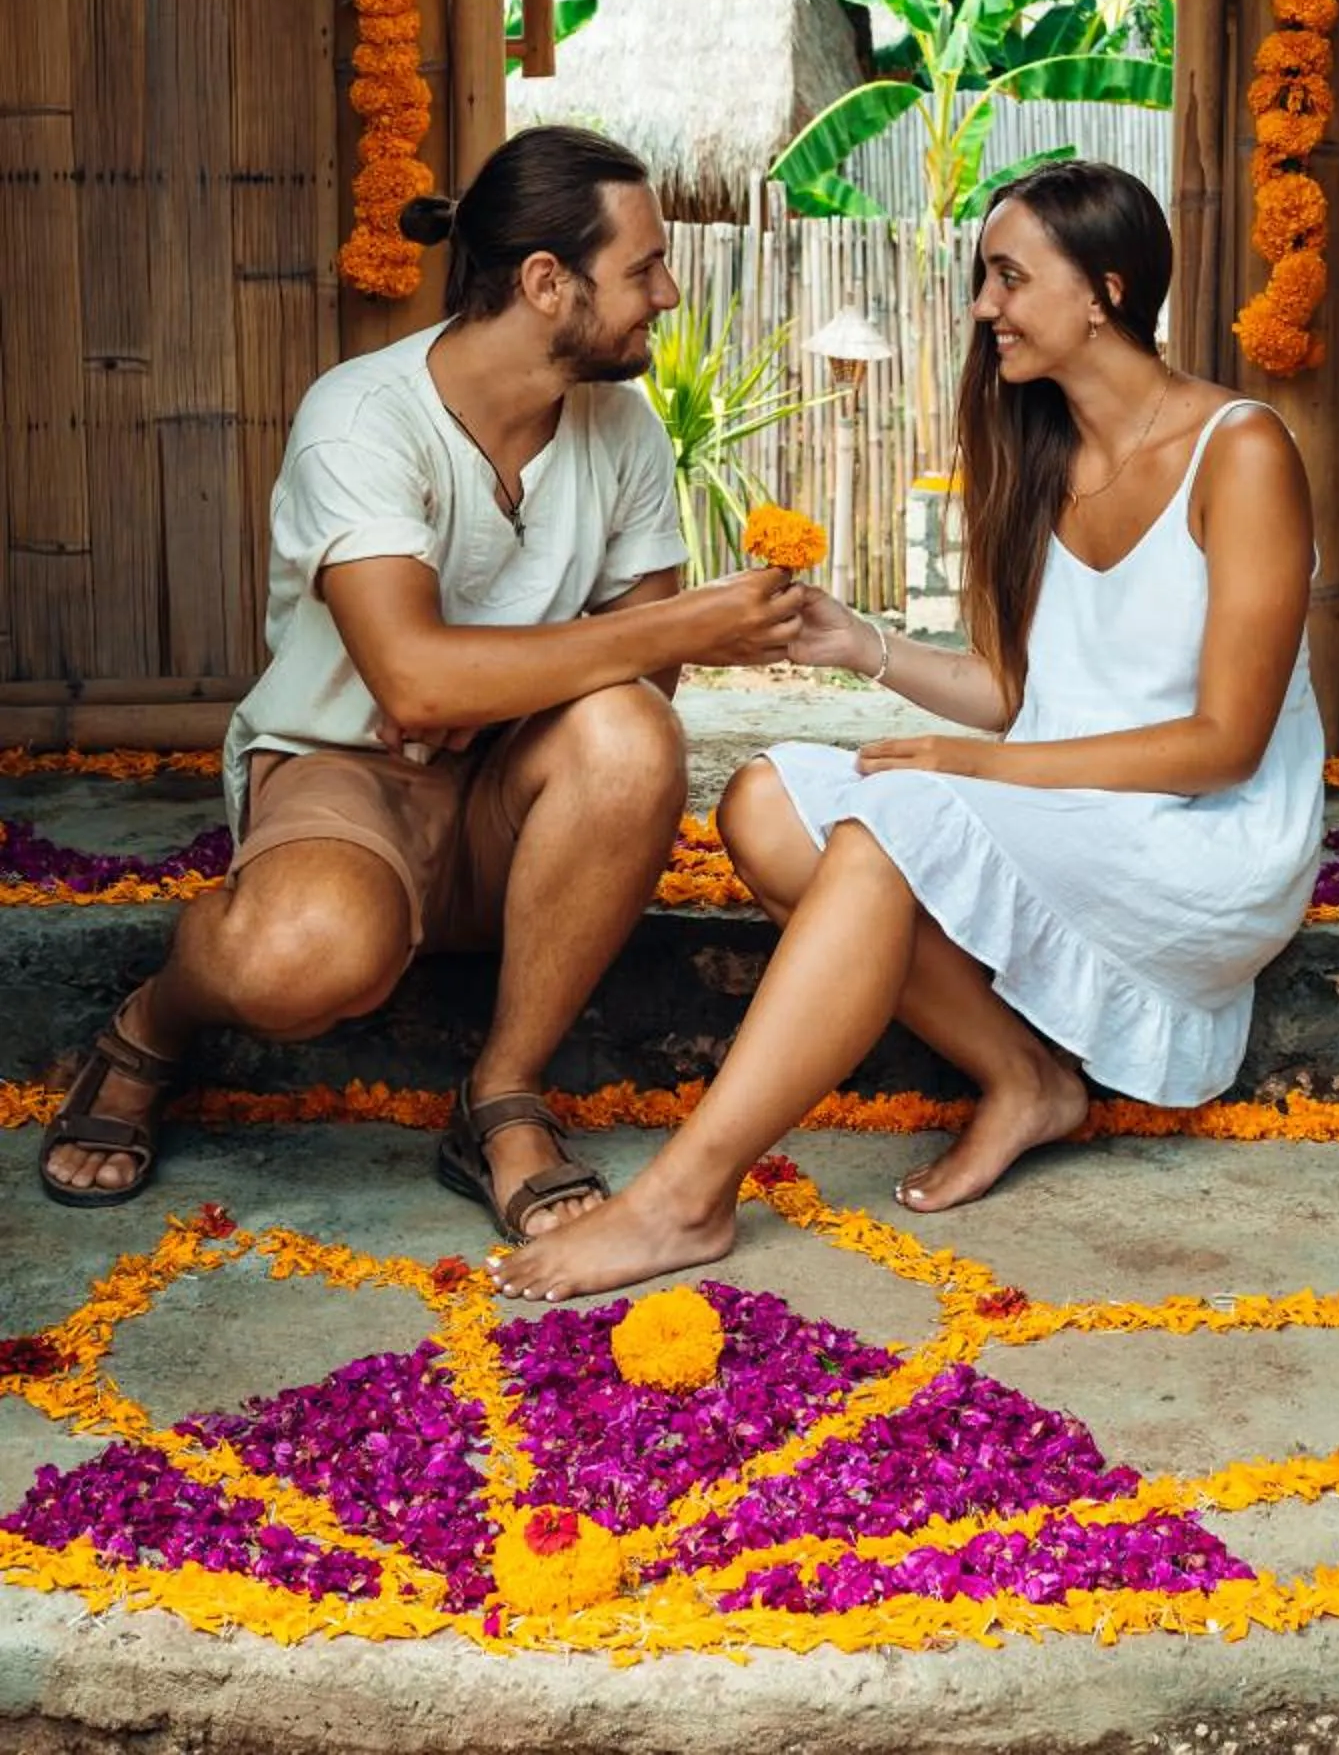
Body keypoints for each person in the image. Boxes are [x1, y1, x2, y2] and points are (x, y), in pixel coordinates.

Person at [488, 160, 1324, 1303]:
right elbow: (1028, 694)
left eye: (1007, 278)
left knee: (893, 822)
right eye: (986, 277)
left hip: (1201, 839)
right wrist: (856, 645)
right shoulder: (1039, 453)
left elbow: (1223, 742)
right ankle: (1023, 1078)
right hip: (1074, 811)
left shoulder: (1242, 453)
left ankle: (684, 1197)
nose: (983, 306)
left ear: (1105, 294)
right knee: (768, 804)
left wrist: (982, 769)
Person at [41, 125, 801, 1238]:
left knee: (633, 733)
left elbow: (647, 670)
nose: (669, 294)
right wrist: (573, 654)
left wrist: (500, 686)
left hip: (514, 791)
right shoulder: (360, 418)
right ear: (547, 282)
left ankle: (499, 1094)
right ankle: (151, 1025)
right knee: (300, 957)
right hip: (348, 773)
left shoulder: (621, 428)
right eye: (644, 266)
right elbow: (412, 686)